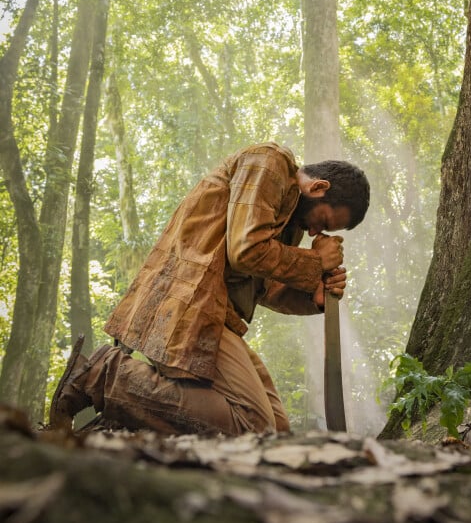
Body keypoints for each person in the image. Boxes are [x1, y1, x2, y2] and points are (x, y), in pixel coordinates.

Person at [50, 142, 370, 436]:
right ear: (318, 187)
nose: (315, 231)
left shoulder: (288, 221)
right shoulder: (270, 163)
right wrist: (315, 261)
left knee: (278, 434)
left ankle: (129, 411)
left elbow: (264, 288)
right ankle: (102, 375)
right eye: (322, 221)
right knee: (254, 428)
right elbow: (245, 252)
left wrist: (311, 298)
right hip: (188, 304)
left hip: (215, 317)